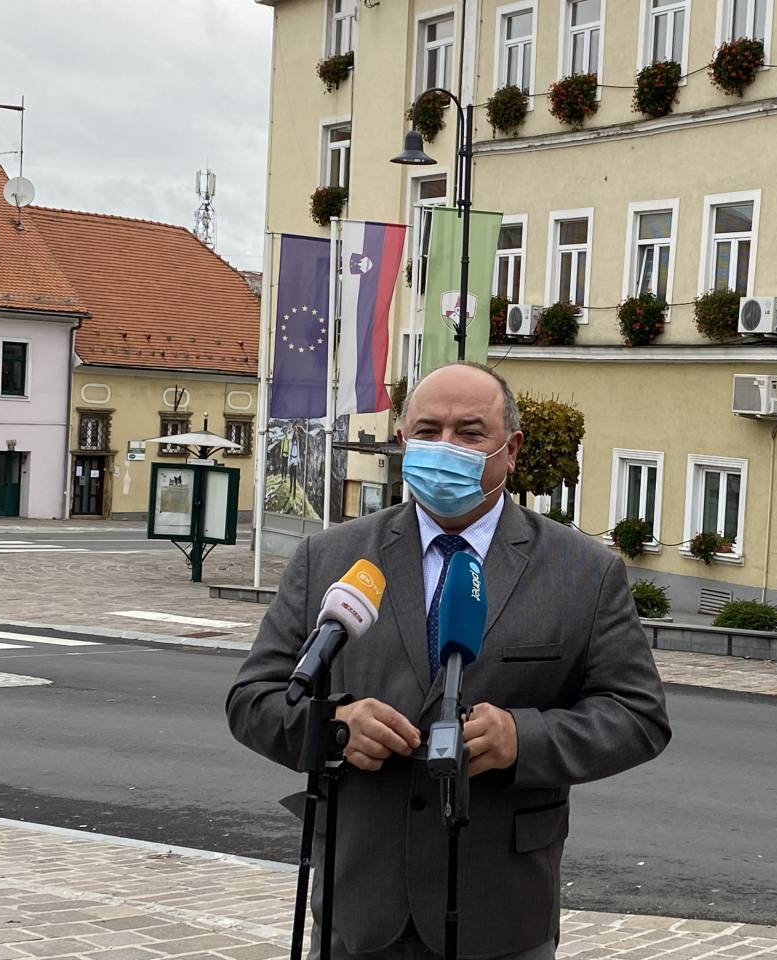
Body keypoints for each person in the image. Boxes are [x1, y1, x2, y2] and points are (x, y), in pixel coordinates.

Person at [227, 362, 671, 960]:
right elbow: (254, 698)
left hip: (500, 909)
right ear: (402, 442)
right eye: (427, 431)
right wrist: (336, 727)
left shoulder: (583, 573)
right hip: (358, 902)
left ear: (510, 449)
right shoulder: (330, 557)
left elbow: (638, 715)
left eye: (469, 432)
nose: (445, 448)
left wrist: (524, 737)